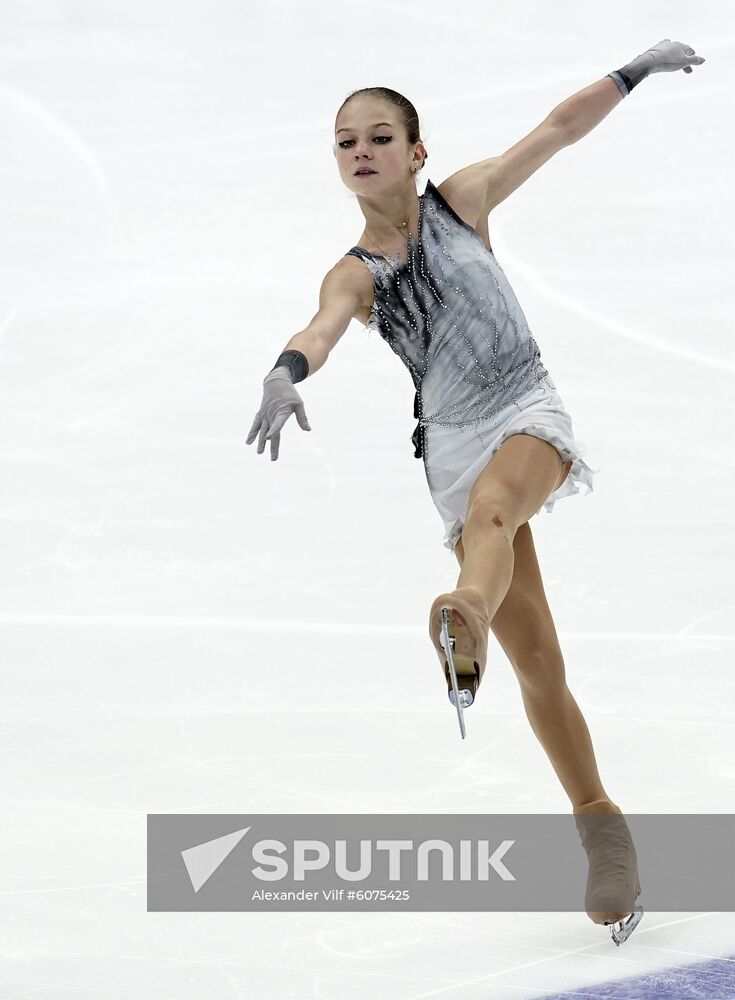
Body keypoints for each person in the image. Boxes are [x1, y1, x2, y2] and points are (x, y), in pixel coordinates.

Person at [246, 39, 704, 941]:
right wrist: (284, 371)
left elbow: (556, 131)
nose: (362, 151)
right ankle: (602, 828)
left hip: (525, 406)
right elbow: (323, 326)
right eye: (346, 142)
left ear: (415, 152)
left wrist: (632, 71)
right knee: (539, 664)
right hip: (451, 441)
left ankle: (462, 608)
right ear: (337, 162)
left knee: (495, 516)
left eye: (380, 136)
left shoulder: (461, 201)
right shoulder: (355, 271)